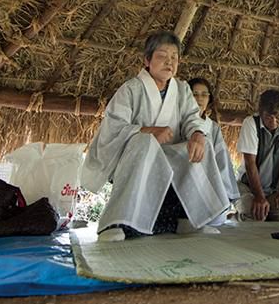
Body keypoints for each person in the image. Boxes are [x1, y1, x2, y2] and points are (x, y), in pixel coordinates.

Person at [81, 31, 232, 242]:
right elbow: (114, 127)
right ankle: (117, 221)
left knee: (198, 143)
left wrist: (197, 133)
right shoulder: (131, 89)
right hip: (135, 155)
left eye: (174, 57)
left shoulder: (181, 90)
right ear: (147, 60)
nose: (169, 62)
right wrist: (147, 131)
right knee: (145, 142)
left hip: (170, 154)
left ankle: (187, 217)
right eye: (162, 55)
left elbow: (191, 117)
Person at [236, 90, 279, 221]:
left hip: (273, 189)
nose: (274, 122)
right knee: (254, 213)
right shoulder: (251, 123)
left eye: (278, 118)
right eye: (268, 117)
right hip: (248, 186)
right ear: (260, 112)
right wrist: (259, 196)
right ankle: (237, 216)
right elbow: (250, 162)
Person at [188, 77, 240, 208]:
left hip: (207, 183)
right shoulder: (178, 121)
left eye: (204, 95)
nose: (199, 98)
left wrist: (224, 192)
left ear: (209, 99)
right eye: (195, 94)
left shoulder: (212, 127)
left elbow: (222, 160)